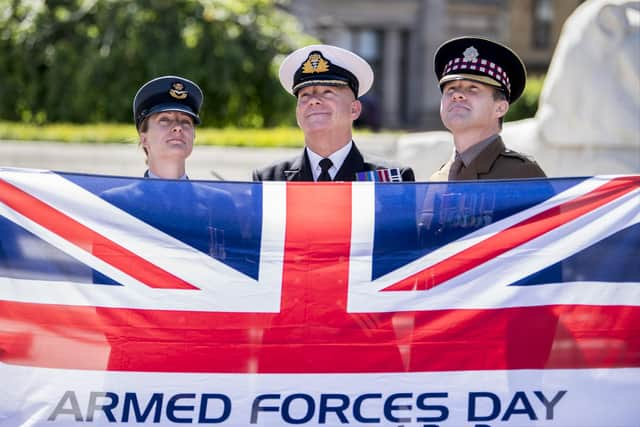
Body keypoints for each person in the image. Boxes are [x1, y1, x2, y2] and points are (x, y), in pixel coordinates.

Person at [97, 76, 256, 281]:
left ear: (193, 137)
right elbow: (104, 284)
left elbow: (238, 278)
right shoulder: (116, 204)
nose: (178, 127)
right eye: (165, 120)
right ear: (143, 137)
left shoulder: (219, 204)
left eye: (186, 122)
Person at [252, 44, 414, 182]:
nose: (313, 100)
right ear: (298, 113)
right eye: (305, 95)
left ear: (354, 109)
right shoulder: (270, 179)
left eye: (327, 92)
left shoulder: (389, 179)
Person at [430, 36, 546, 181]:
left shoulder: (521, 175)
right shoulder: (437, 179)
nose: (457, 95)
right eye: (451, 89)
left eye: (473, 89)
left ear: (500, 108)